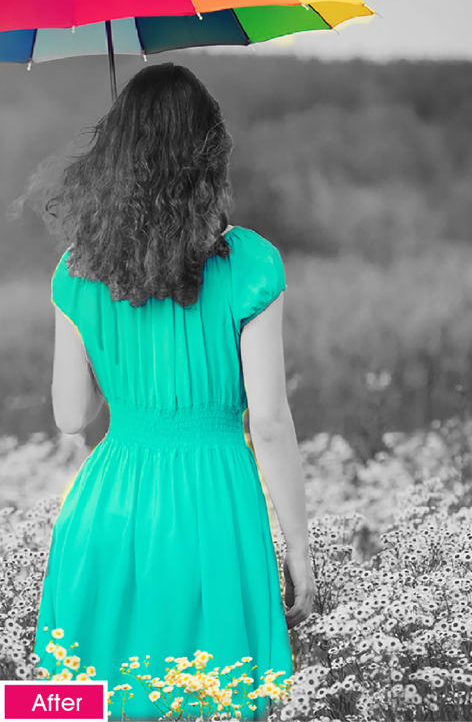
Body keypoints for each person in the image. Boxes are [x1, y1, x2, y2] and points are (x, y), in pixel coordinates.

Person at [27, 63, 315, 721]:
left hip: (106, 508)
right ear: (210, 154)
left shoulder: (77, 268)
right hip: (214, 506)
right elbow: (270, 423)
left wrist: (120, 359)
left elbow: (73, 414)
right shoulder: (251, 263)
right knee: (214, 700)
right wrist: (298, 547)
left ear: (114, 155)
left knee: (83, 703)